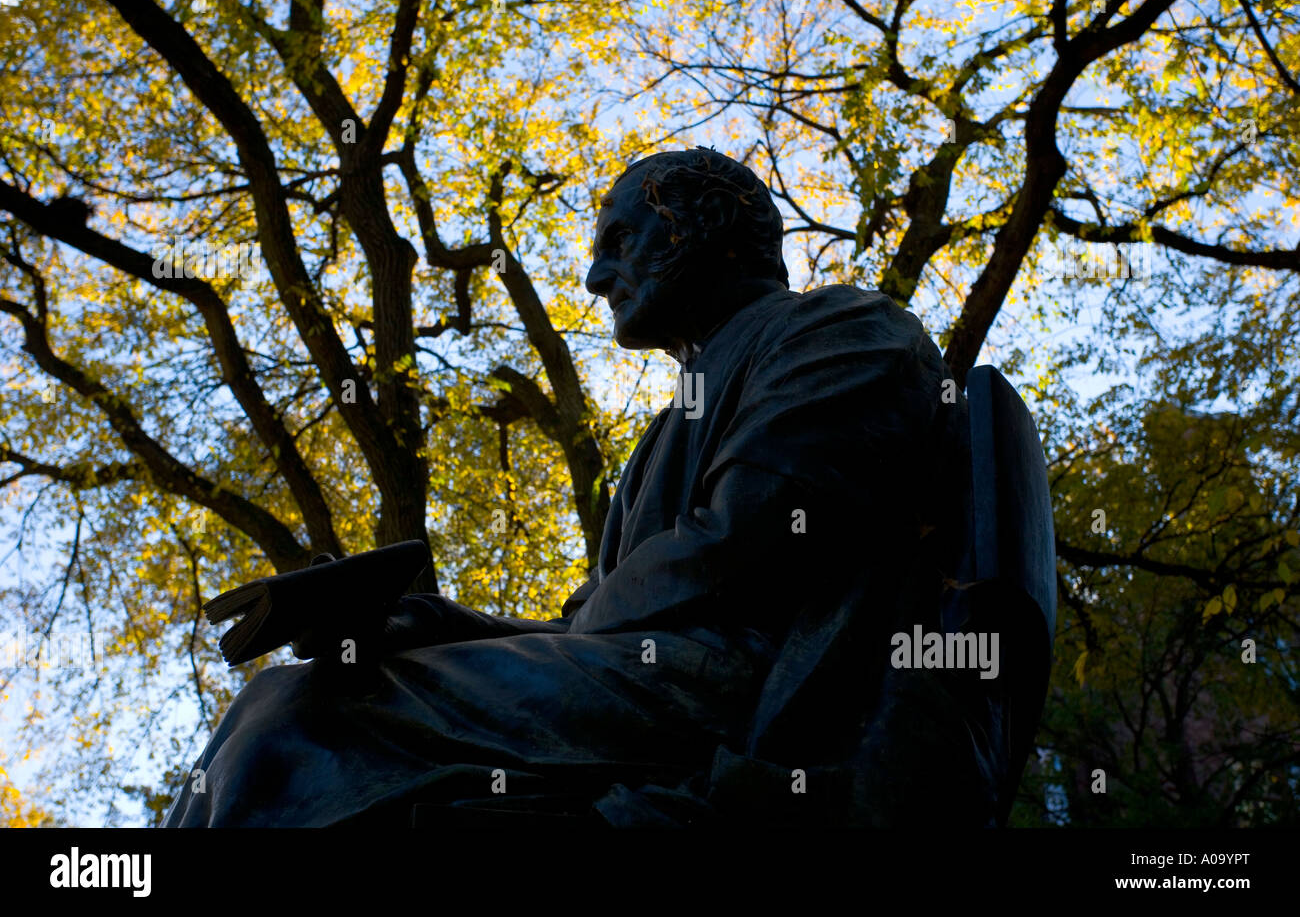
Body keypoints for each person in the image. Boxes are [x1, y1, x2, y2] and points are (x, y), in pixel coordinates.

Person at [162, 146, 1000, 827]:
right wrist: (429, 623)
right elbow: (595, 619)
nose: (597, 277)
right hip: (645, 680)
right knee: (295, 694)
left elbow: (756, 536)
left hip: (742, 686)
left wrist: (500, 639)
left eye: (620, 240)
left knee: (305, 721)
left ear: (701, 226)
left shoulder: (842, 328)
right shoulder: (671, 421)